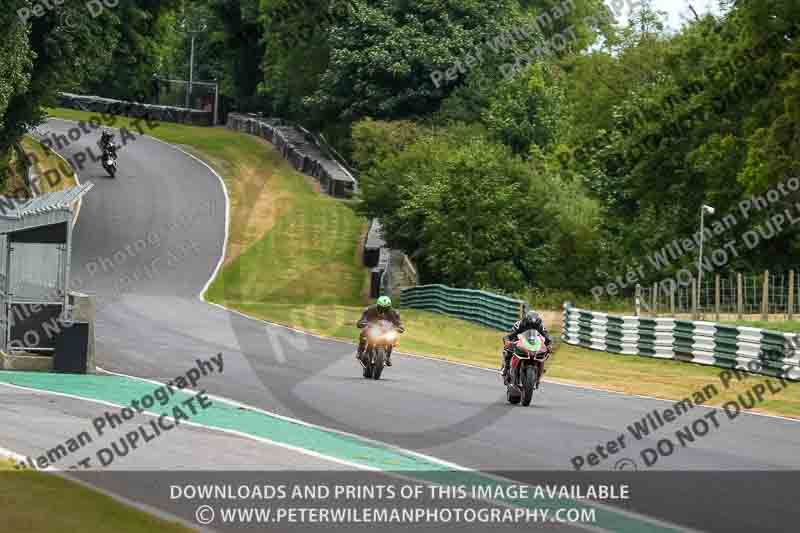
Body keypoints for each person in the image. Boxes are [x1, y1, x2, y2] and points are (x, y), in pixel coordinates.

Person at [501, 310, 552, 379]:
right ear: (525, 321)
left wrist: (548, 345)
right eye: (529, 325)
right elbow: (509, 336)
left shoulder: (540, 326)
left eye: (534, 326)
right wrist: (507, 341)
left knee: (545, 352)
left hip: (532, 342)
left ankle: (540, 368)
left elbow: (547, 337)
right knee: (509, 349)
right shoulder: (519, 324)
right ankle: (506, 367)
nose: (531, 327)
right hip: (518, 341)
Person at [357, 296, 404, 366]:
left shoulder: (394, 312)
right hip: (373, 328)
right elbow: (363, 319)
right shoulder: (369, 309)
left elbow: (398, 323)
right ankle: (360, 352)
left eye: (386, 308)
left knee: (393, 336)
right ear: (377, 305)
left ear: (389, 307)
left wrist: (400, 327)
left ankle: (388, 357)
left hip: (386, 331)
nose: (383, 310)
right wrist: (363, 323)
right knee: (363, 332)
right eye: (381, 308)